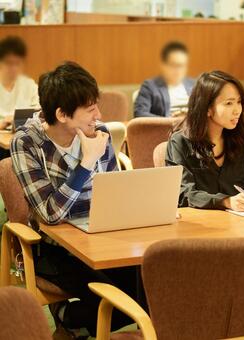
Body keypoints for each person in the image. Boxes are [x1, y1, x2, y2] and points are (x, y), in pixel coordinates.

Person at [10, 62, 138, 338]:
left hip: (100, 239)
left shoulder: (99, 133)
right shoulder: (26, 144)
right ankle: (66, 317)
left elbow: (114, 193)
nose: (99, 116)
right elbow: (51, 215)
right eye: (90, 110)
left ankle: (69, 318)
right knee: (116, 302)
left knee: (151, 289)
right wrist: (87, 162)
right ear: (62, 114)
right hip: (55, 248)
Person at [166, 70, 244, 211]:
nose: (237, 110)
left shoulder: (242, 140)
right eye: (229, 103)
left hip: (243, 225)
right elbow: (183, 194)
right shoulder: (180, 142)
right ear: (207, 108)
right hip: (201, 226)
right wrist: (225, 201)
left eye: (239, 102)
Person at [134, 41, 194, 118]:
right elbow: (140, 113)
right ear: (163, 65)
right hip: (165, 128)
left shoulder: (194, 85)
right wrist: (169, 121)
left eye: (182, 65)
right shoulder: (150, 86)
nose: (178, 70)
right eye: (174, 65)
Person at [0, 36, 39, 131]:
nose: (13, 68)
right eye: (9, 63)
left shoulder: (29, 85)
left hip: (23, 137)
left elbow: (39, 114)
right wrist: (3, 123)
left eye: (17, 63)